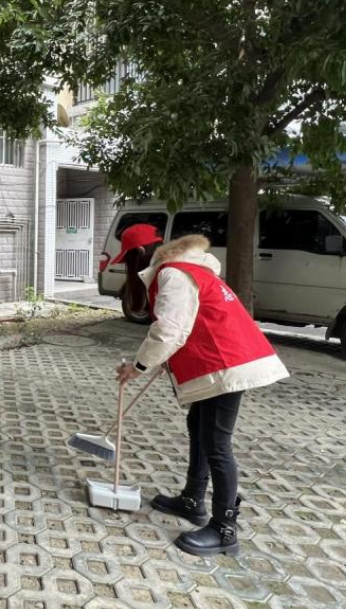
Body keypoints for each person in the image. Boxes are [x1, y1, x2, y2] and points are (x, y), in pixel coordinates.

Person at [115, 234, 289, 557]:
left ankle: (224, 530)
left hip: (227, 363)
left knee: (217, 442)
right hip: (225, 359)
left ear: (139, 253)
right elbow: (189, 324)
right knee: (198, 426)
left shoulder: (173, 274)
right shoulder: (191, 270)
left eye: (129, 259)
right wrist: (160, 360)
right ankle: (192, 500)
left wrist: (138, 366)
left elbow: (169, 330)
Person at [112, 223, 164, 315]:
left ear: (140, 250)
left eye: (130, 257)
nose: (130, 266)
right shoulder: (168, 269)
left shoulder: (163, 277)